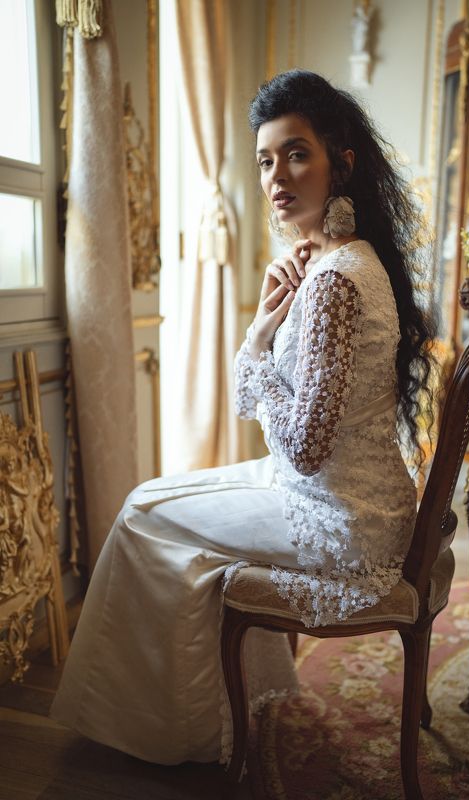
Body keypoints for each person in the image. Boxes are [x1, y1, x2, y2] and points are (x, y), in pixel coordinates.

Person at [50, 69, 435, 767]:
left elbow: (306, 445)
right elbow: (261, 407)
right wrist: (262, 328)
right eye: (264, 159)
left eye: (296, 153)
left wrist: (256, 353)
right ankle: (225, 702)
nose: (276, 176)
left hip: (337, 515)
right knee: (151, 500)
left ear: (339, 161)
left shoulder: (335, 280)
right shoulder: (336, 260)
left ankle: (176, 732)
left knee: (140, 517)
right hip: (336, 493)